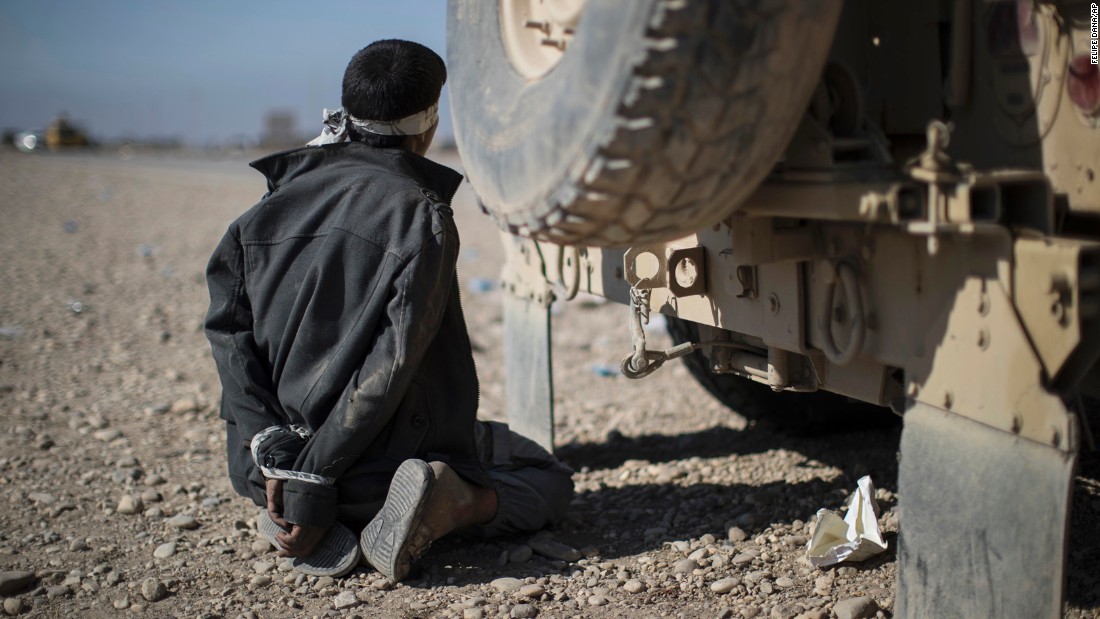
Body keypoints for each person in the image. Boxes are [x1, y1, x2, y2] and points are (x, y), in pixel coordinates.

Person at [204, 40, 574, 580]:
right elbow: (389, 367)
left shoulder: (257, 214)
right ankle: (444, 505)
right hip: (362, 470)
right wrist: (312, 482)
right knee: (548, 476)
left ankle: (315, 524)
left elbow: (228, 338)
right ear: (428, 123)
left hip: (265, 475)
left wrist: (272, 454)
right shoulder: (420, 215)